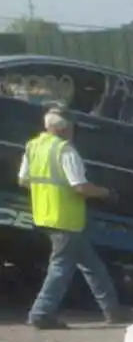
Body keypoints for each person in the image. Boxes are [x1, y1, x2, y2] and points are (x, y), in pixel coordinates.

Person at [16, 107, 126, 330]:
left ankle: (113, 311)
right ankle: (41, 313)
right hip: (65, 219)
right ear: (64, 128)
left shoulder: (33, 146)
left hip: (46, 216)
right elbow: (80, 186)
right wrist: (106, 193)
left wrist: (46, 192)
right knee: (60, 269)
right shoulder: (64, 150)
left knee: (92, 266)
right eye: (72, 127)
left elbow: (23, 180)